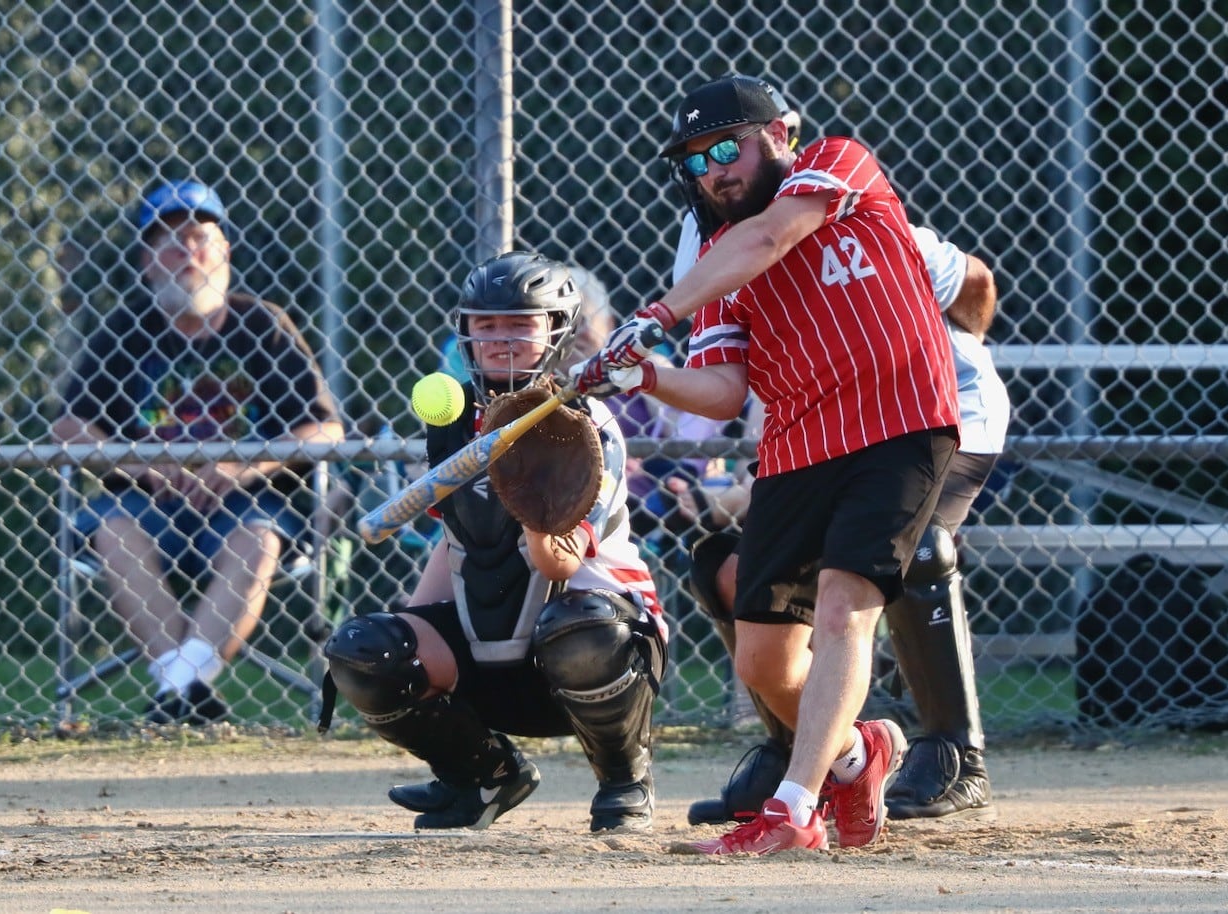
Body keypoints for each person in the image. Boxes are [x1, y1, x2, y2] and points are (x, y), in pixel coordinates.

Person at [573, 75, 960, 854]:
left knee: (845, 604)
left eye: (728, 147)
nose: (714, 170)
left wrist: (654, 318)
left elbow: (771, 238)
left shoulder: (837, 166)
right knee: (763, 660)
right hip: (797, 448)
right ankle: (859, 754)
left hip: (899, 427)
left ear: (780, 135)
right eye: (695, 161)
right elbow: (723, 390)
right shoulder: (717, 264)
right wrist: (642, 375)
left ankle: (792, 811)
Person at [320, 251, 667, 833]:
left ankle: (624, 778)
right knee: (366, 649)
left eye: (522, 325)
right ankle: (484, 776)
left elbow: (556, 562)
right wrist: (409, 634)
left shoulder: (588, 423)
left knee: (580, 631)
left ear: (556, 330)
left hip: (596, 648)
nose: (502, 340)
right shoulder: (453, 419)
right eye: (487, 326)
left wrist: (533, 490)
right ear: (466, 334)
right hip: (491, 642)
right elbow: (460, 539)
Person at [680, 229, 1010, 826]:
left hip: (942, 407)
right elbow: (728, 385)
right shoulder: (705, 255)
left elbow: (977, 282)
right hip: (822, 428)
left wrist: (962, 345)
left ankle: (954, 753)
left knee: (916, 548)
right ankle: (815, 758)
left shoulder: (853, 216)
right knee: (726, 569)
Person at [52, 179, 344, 725]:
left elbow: (324, 430)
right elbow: (69, 427)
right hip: (144, 504)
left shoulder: (263, 323)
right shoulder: (125, 329)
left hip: (245, 503)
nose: (185, 252)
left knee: (258, 540)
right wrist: (147, 464)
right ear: (146, 261)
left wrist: (240, 466)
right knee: (112, 531)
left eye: (197, 238)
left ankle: (175, 688)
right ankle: (189, 689)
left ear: (224, 251)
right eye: (167, 242)